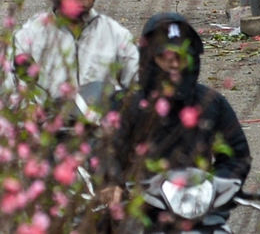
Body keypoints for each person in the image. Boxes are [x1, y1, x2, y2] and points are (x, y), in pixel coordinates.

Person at [100, 14, 250, 211]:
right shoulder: (126, 105)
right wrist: (113, 183)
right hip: (141, 210)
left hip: (197, 208)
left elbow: (237, 153)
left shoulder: (210, 103)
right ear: (149, 57)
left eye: (181, 56)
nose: (174, 64)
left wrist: (216, 187)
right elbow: (105, 151)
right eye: (165, 56)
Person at [6, 0, 138, 125]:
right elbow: (8, 87)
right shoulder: (28, 35)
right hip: (45, 131)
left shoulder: (116, 35)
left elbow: (138, 83)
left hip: (101, 132)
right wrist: (26, 108)